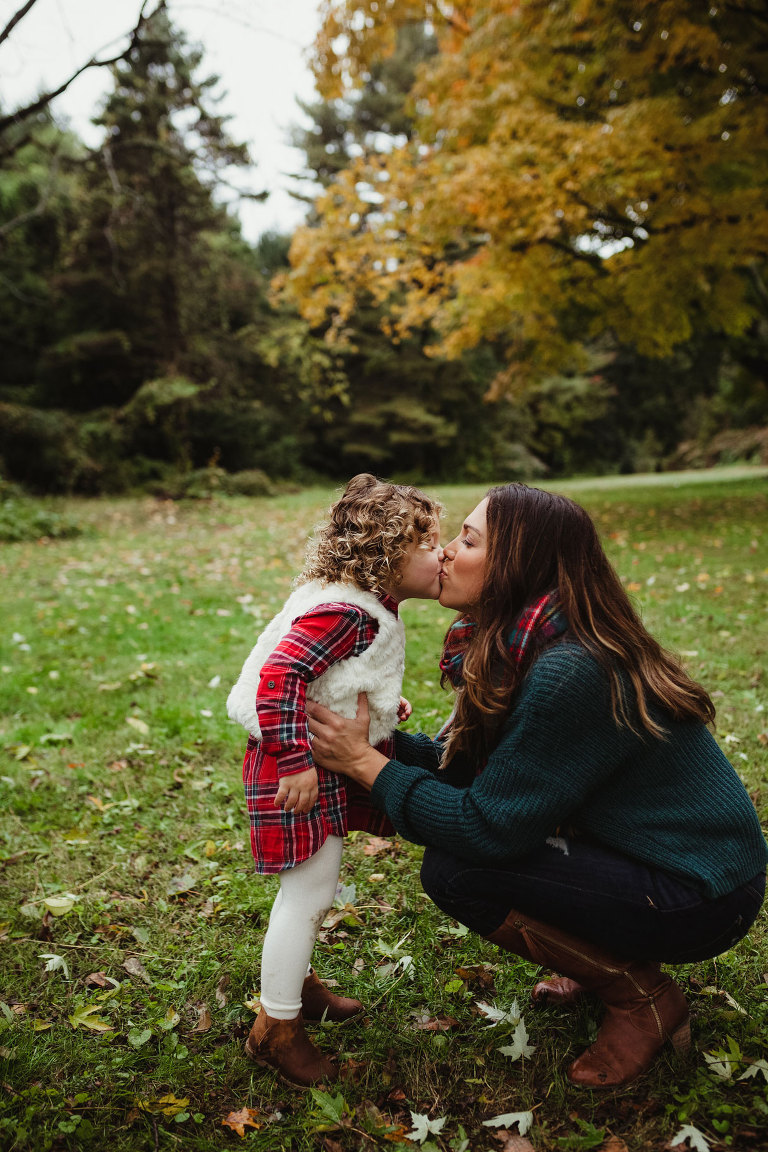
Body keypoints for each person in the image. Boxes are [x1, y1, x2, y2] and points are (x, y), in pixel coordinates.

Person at [307, 483, 767, 1089]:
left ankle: (639, 997)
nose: (444, 551)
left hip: (698, 895)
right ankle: (603, 946)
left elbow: (485, 825)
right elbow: (477, 772)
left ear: (518, 564)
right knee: (479, 851)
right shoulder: (520, 644)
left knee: (458, 870)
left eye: (467, 540)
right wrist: (366, 746)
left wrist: (368, 766)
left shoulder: (570, 670)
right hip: (650, 858)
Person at [226, 474, 442, 1086]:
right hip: (295, 763)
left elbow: (334, 674)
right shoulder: (347, 613)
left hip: (318, 755)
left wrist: (378, 698)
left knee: (315, 885)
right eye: (427, 542)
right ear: (385, 555)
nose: (442, 553)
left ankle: (294, 986)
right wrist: (294, 761)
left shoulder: (359, 601)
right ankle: (278, 1028)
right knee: (309, 893)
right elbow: (280, 677)